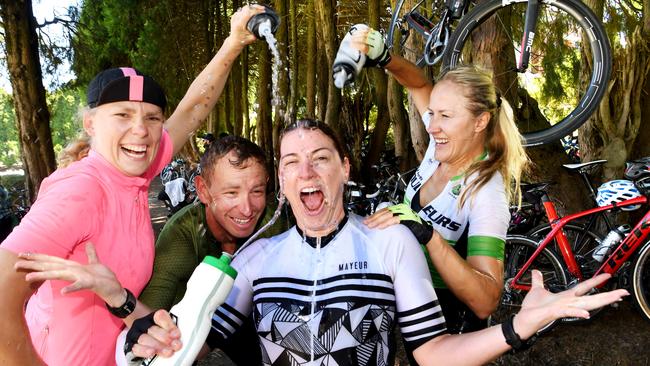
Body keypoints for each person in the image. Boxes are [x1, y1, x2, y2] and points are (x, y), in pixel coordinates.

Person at [19, 119, 626, 365]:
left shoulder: (389, 245)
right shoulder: (253, 261)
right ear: (281, 181)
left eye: (320, 160)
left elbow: (432, 353)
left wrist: (521, 327)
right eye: (291, 163)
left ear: (344, 171)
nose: (306, 174)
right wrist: (121, 300)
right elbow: (180, 345)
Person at [0, 5, 267, 365]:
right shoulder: (80, 190)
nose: (140, 129)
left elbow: (192, 111)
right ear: (91, 123)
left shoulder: (135, 170)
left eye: (152, 117)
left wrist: (233, 44)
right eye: (122, 115)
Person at [355, 27, 529, 337]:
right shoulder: (441, 146)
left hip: (449, 324)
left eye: (445, 116)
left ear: (480, 121)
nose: (432, 127)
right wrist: (385, 58)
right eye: (432, 113)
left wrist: (427, 235)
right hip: (412, 301)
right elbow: (419, 82)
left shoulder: (485, 191)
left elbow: (486, 300)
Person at [139, 135, 288, 365]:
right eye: (231, 193)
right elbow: (150, 315)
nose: (247, 209)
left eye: (257, 191)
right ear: (203, 190)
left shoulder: (275, 225)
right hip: (191, 331)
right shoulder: (183, 234)